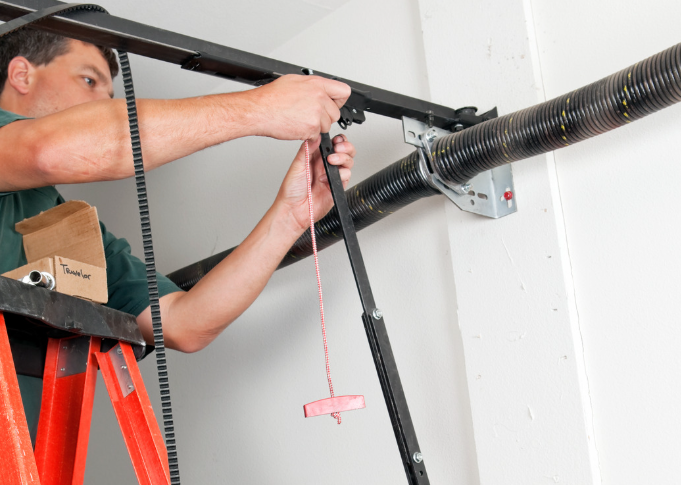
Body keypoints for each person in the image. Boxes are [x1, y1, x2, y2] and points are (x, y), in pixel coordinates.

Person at [0, 29, 356, 441]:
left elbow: (185, 323)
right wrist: (260, 108)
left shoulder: (64, 226)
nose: (103, 103)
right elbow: (50, 151)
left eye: (110, 93)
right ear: (22, 75)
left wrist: (291, 217)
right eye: (89, 80)